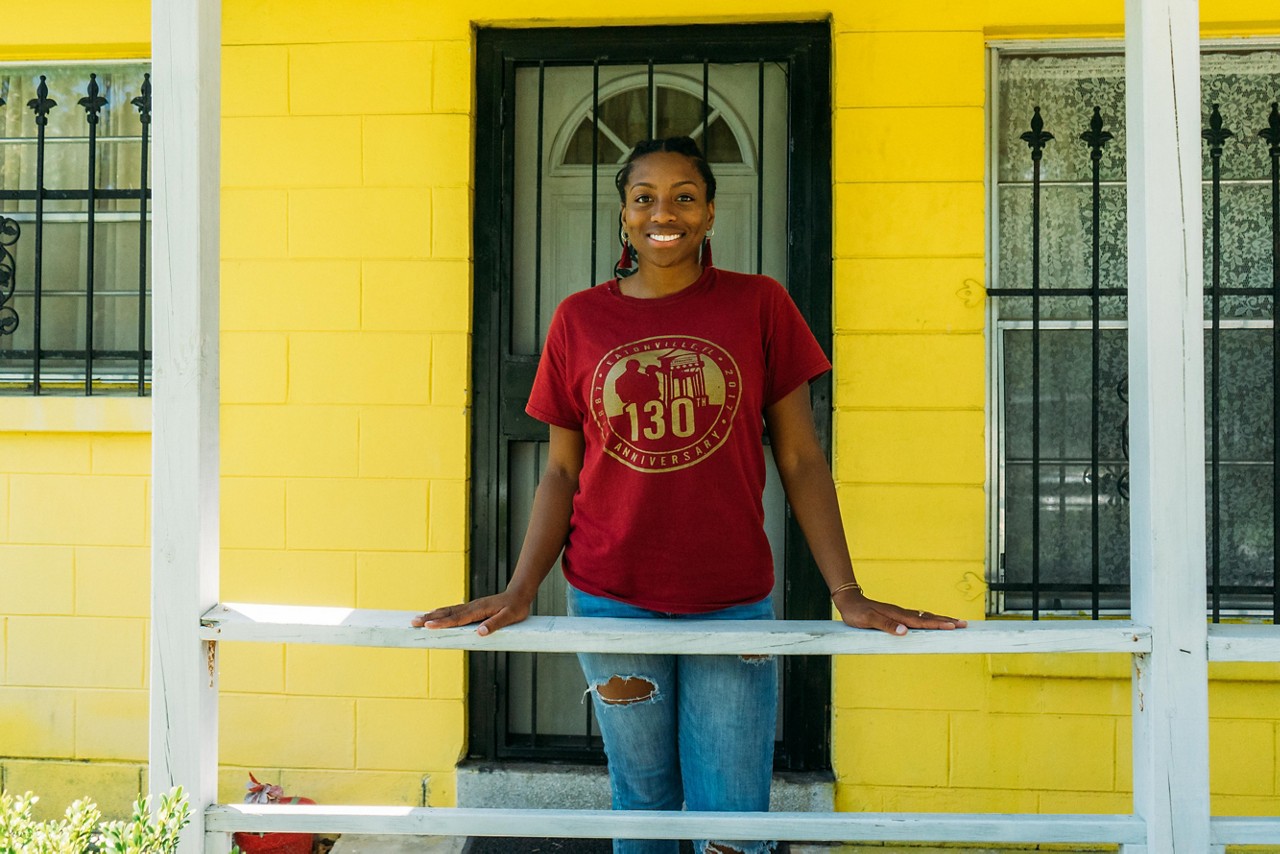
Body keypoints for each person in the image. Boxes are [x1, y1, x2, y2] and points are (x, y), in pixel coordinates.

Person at [414, 137, 967, 854]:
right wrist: (522, 589)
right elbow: (559, 471)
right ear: (623, 216)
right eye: (644, 197)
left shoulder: (759, 304)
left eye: (683, 196)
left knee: (733, 818)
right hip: (610, 599)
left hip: (732, 600)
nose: (662, 212)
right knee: (640, 801)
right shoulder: (579, 319)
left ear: (709, 214)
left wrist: (848, 592)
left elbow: (799, 456)